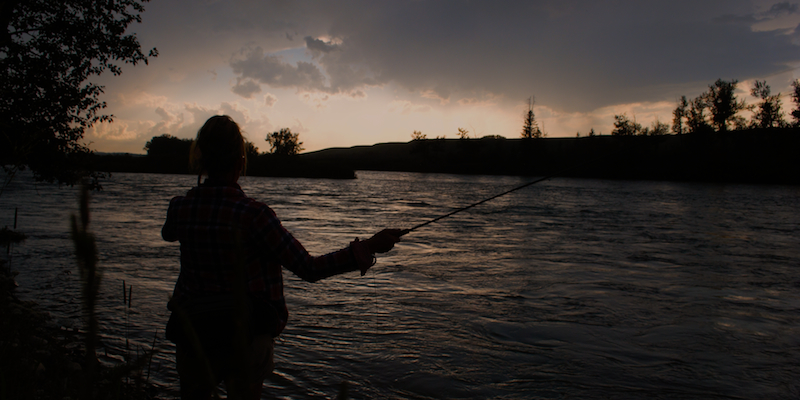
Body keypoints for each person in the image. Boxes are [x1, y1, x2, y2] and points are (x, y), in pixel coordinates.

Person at [162, 115, 403, 400]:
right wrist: (369, 247)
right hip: (246, 337)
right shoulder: (255, 215)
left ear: (201, 158)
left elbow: (169, 233)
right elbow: (308, 268)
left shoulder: (180, 209)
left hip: (193, 334)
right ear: (241, 160)